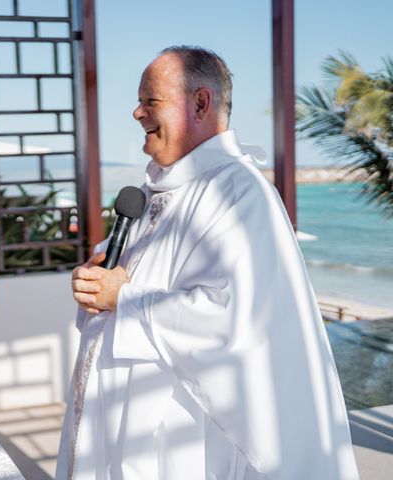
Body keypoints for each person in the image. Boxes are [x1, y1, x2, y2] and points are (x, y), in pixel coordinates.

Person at [56, 46, 359, 480]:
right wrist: (94, 281)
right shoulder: (159, 189)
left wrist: (123, 297)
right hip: (120, 414)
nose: (136, 112)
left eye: (150, 101)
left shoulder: (239, 193)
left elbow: (234, 320)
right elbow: (127, 279)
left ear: (200, 103)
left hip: (180, 434)